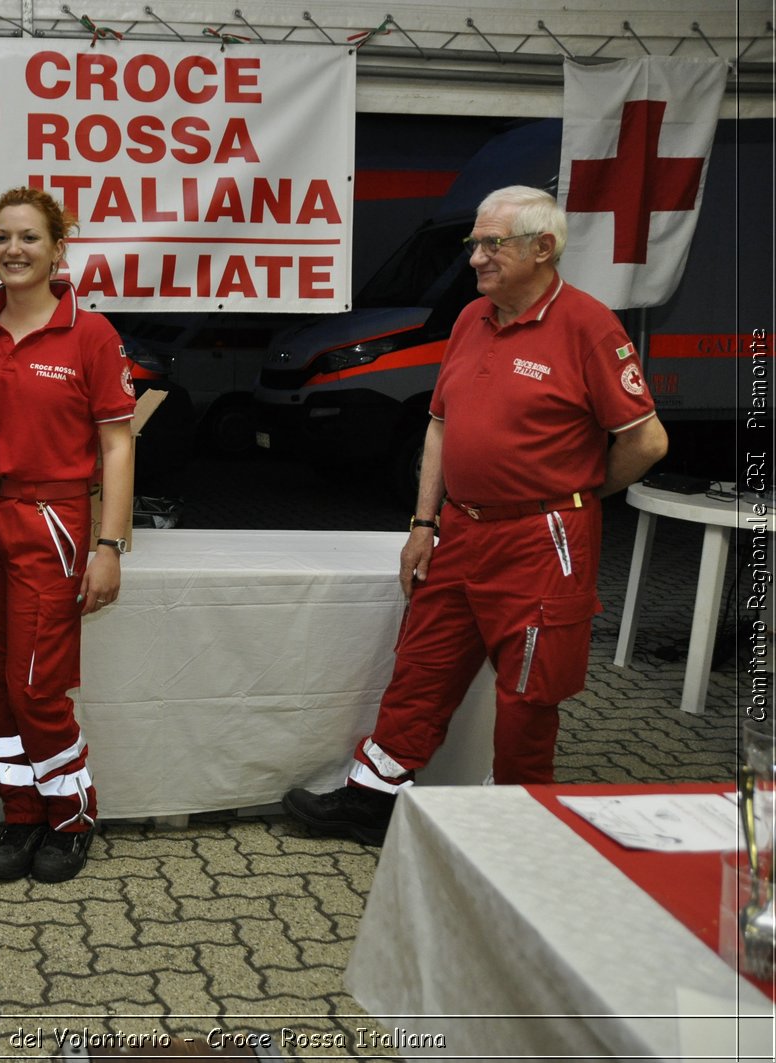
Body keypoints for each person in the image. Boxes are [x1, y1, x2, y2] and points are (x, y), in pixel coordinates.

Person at [282, 186, 669, 845]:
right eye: (476, 244)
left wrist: (574, 492)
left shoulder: (589, 326)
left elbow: (647, 439)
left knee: (528, 694)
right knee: (422, 665)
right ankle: (372, 799)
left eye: (493, 244)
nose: (476, 260)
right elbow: (439, 424)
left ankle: (517, 823)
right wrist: (423, 523)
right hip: (459, 529)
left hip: (542, 541)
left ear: (543, 248)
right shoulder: (471, 320)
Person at [0, 187, 136, 883]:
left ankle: (71, 816)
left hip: (53, 524)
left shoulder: (90, 334)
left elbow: (118, 447)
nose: (14, 249)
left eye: (29, 237)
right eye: (3, 236)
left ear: (58, 248)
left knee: (36, 686)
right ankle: (22, 814)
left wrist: (109, 545)